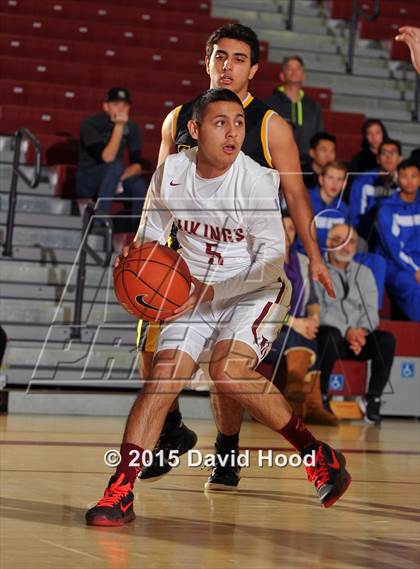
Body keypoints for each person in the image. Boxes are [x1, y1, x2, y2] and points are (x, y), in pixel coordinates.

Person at [85, 89, 351, 526]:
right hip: (191, 287)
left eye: (239, 123)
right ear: (194, 129)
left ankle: (316, 454)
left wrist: (209, 292)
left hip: (254, 288)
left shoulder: (255, 181)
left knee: (227, 370)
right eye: (220, 122)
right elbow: (149, 237)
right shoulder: (171, 172)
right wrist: (134, 261)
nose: (232, 132)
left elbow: (271, 263)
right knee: (161, 380)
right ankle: (121, 491)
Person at [138, 24, 335, 489]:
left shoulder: (269, 126)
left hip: (242, 263)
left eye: (239, 58)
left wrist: (315, 255)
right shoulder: (177, 119)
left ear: (254, 69)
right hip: (184, 254)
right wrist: (145, 248)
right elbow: (160, 188)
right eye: (220, 56)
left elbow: (297, 195)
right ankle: (170, 430)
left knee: (226, 367)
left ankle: (226, 451)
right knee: (151, 350)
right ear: (205, 61)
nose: (228, 65)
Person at [316, 224, 396, 424]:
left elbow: (371, 311)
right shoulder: (316, 270)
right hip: (329, 337)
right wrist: (347, 331)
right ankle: (321, 397)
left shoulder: (365, 273)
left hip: (357, 340)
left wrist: (361, 332)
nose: (346, 246)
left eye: (351, 241)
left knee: (386, 340)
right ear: (328, 243)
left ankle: (373, 399)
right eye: (339, 240)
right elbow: (317, 310)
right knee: (329, 335)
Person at [263, 215, 337, 425]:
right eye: (283, 227)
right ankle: (300, 395)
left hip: (297, 328)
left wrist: (313, 318)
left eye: (292, 228)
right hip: (267, 329)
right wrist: (295, 322)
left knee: (315, 336)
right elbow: (265, 304)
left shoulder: (304, 261)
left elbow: (313, 299)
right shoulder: (266, 260)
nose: (287, 232)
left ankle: (309, 406)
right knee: (295, 335)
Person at [76, 87, 148, 229]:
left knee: (139, 185)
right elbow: (108, 157)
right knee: (115, 165)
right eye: (116, 104)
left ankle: (137, 234)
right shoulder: (90, 124)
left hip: (113, 179)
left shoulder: (132, 127)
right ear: (106, 106)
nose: (121, 109)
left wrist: (119, 178)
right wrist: (119, 126)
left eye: (125, 105)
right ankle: (98, 221)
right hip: (87, 180)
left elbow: (137, 164)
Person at [376, 159, 420, 321]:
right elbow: (393, 249)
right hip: (398, 267)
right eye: (404, 176)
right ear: (397, 178)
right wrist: (415, 270)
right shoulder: (387, 208)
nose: (409, 181)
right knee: (415, 290)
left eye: (414, 176)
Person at [265, 56, 324, 161]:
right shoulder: (269, 104)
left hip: (307, 165)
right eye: (289, 68)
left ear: (303, 75)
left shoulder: (314, 106)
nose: (294, 71)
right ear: (282, 76)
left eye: (298, 68)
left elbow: (319, 138)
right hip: (277, 162)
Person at [349, 139, 402, 244]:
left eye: (393, 153)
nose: (388, 157)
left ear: (400, 159)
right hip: (367, 235)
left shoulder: (407, 182)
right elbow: (355, 217)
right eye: (384, 153)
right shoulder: (362, 181)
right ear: (378, 159)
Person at [296, 161, 350, 254]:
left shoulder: (343, 208)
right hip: (303, 256)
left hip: (330, 258)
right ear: (321, 179)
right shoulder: (305, 200)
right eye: (330, 178)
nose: (335, 183)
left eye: (339, 179)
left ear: (344, 184)